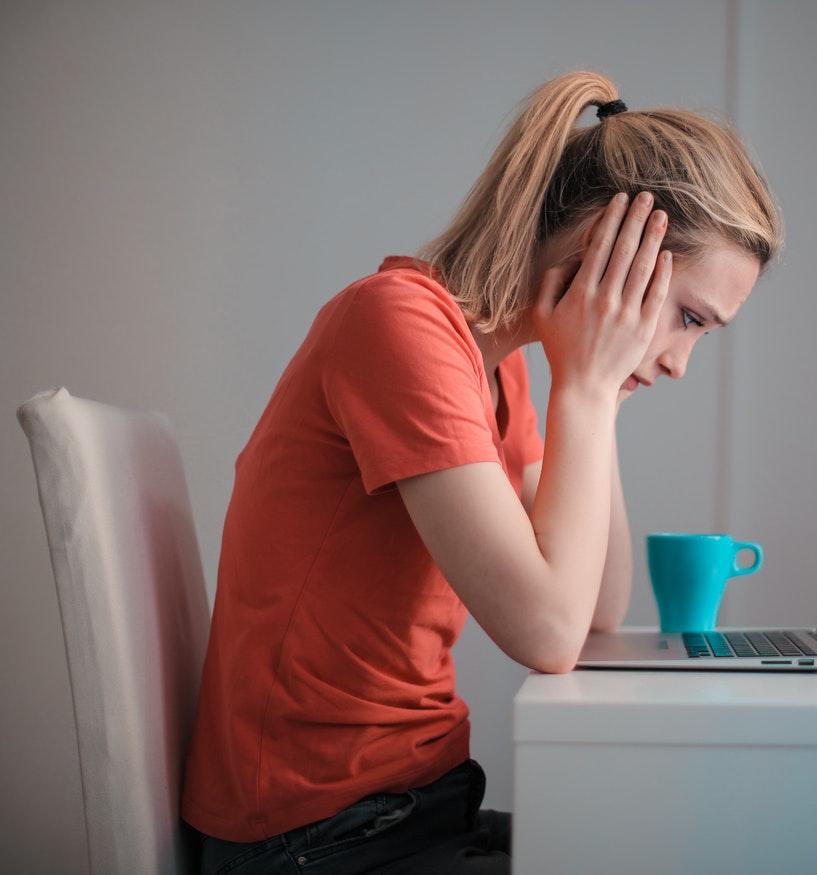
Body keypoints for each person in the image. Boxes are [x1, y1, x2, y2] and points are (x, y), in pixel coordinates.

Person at [181, 70, 782, 874]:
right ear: (611, 251)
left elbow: (596, 605)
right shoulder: (399, 326)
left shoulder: (498, 370)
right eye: (689, 318)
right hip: (314, 835)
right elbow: (549, 634)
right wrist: (590, 389)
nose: (681, 361)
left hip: (414, 803)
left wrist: (597, 389)